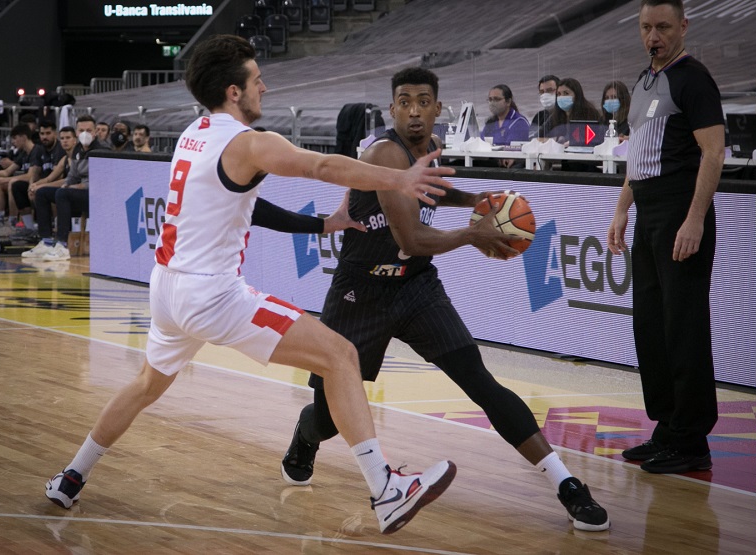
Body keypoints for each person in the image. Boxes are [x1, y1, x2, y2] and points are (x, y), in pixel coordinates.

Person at [44, 35, 458, 536]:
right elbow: (322, 166)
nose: (265, 84)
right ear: (234, 91)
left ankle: (72, 475)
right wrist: (399, 180)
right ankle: (386, 489)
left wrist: (321, 226)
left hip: (167, 289)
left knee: (146, 385)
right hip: (211, 295)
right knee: (341, 355)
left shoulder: (194, 134)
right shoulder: (251, 143)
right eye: (256, 78)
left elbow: (246, 206)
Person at [279, 66, 610, 532]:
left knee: (480, 381)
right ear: (392, 108)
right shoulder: (386, 154)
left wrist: (476, 198)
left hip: (415, 287)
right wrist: (472, 234)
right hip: (361, 291)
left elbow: (434, 193)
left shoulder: (428, 150)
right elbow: (412, 237)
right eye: (404, 101)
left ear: (437, 107)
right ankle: (305, 433)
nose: (414, 110)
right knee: (330, 419)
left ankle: (567, 484)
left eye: (423, 101)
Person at [607, 0, 725, 475]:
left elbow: (713, 153)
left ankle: (692, 439)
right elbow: (639, 155)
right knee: (651, 326)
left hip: (681, 211)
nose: (653, 35)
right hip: (649, 215)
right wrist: (621, 210)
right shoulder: (644, 80)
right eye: (645, 27)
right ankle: (668, 427)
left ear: (682, 26)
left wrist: (695, 219)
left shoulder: (693, 78)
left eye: (662, 27)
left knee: (684, 328)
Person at [23, 115, 109, 261]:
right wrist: (66, 184)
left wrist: (75, 187)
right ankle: (46, 241)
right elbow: (72, 175)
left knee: (63, 194)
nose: (85, 133)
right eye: (81, 130)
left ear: (95, 132)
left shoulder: (102, 151)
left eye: (89, 130)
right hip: (78, 191)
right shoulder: (77, 150)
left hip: (96, 195)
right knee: (42, 192)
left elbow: (101, 182)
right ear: (76, 132)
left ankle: (62, 245)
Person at [11, 120, 66, 241]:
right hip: (46, 182)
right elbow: (35, 172)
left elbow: (58, 177)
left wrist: (39, 186)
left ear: (55, 134)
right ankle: (30, 228)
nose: (45, 137)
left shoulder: (59, 149)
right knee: (18, 186)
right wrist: (32, 185)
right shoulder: (40, 150)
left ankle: (56, 228)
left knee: (49, 191)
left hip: (59, 184)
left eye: (48, 133)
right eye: (42, 134)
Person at [0, 124, 43, 235]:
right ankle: (0, 221)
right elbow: (6, 172)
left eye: (15, 138)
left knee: (12, 183)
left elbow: (30, 176)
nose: (13, 142)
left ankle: (12, 221)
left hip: (36, 183)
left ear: (23, 137)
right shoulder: (23, 153)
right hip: (26, 184)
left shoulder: (36, 150)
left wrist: (4, 180)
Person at [529, 75, 560, 140]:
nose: (545, 95)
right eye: (542, 92)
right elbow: (532, 138)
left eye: (550, 90)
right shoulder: (539, 116)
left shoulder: (567, 115)